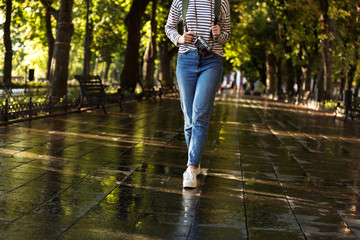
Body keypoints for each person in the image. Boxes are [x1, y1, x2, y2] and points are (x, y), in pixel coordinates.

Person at [165, 0, 231, 188]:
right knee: (189, 118)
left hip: (212, 61)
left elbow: (227, 33)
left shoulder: (221, 2)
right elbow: (169, 27)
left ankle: (191, 167)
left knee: (200, 114)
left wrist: (220, 35)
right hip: (185, 60)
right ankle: (195, 160)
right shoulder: (180, 1)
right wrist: (179, 38)